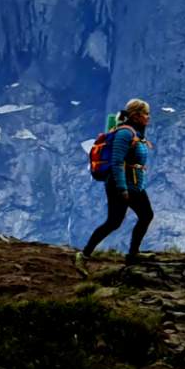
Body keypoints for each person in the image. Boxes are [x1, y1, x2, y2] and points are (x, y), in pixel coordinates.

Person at [77, 100, 153, 274]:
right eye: (145, 114)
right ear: (136, 116)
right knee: (114, 222)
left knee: (145, 215)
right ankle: (84, 255)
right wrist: (122, 188)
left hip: (134, 184)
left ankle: (133, 255)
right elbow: (117, 162)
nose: (148, 117)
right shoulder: (124, 134)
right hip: (120, 184)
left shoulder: (135, 132)